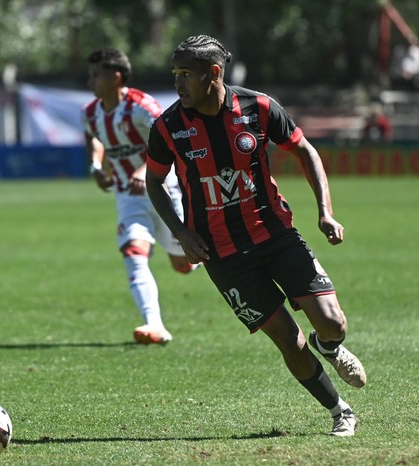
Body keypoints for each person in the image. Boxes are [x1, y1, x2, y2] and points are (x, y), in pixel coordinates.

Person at [145, 35, 367, 436]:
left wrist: (324, 211)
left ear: (214, 73)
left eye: (186, 75)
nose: (178, 83)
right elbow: (154, 182)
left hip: (276, 235)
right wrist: (180, 232)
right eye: (174, 74)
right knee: (289, 340)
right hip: (223, 256)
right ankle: (340, 411)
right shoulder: (168, 127)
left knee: (332, 322)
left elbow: (305, 151)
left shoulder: (259, 107)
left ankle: (330, 345)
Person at [81, 47, 196, 345]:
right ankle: (154, 325)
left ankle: (197, 252)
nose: (90, 81)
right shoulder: (90, 112)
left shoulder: (142, 107)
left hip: (163, 189)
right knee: (133, 252)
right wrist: (96, 164)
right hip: (127, 195)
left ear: (116, 77)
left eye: (96, 75)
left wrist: (142, 170)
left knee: (183, 264)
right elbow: (93, 134)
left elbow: (168, 142)